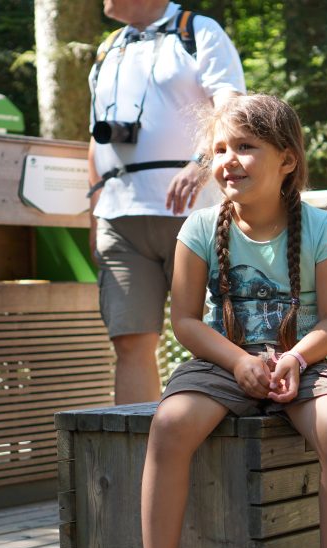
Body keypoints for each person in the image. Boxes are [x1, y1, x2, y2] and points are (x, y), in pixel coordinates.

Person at [123, 94, 327, 548]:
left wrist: (295, 360)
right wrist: (236, 361)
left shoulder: (322, 227)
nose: (228, 160)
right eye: (220, 149)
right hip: (221, 361)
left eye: (246, 147)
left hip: (301, 360)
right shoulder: (199, 228)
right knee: (170, 425)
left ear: (287, 159)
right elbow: (185, 320)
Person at [88, 0, 245, 404]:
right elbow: (95, 138)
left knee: (216, 334)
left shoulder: (198, 31)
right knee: (129, 341)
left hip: (194, 214)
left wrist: (201, 163)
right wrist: (94, 213)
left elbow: (230, 107)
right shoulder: (108, 48)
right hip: (120, 218)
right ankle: (139, 443)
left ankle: (214, 439)